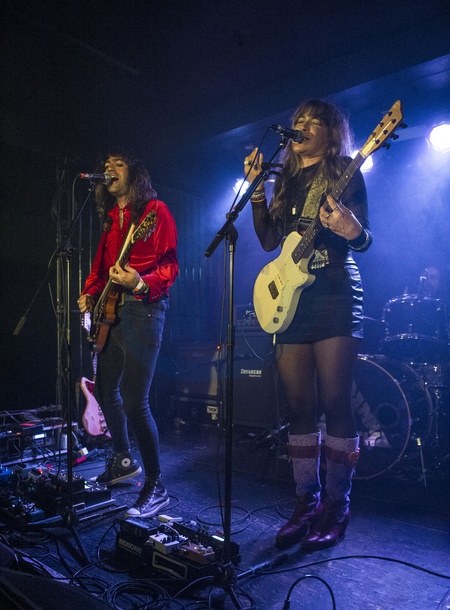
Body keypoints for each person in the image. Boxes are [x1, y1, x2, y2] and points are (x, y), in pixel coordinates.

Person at [244, 99, 372, 551]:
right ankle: (306, 501)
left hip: (335, 291)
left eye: (312, 121)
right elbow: (268, 241)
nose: (301, 126)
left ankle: (337, 505)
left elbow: (364, 239)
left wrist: (351, 229)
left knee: (335, 400)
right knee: (299, 404)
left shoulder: (344, 173)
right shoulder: (286, 178)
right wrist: (257, 191)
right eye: (298, 120)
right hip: (293, 299)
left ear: (331, 132)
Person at [77, 149, 178, 519]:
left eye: (117, 164)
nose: (109, 168)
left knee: (136, 401)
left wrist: (140, 282)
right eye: (106, 165)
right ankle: (122, 459)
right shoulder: (110, 220)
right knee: (106, 390)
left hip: (143, 308)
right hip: (110, 312)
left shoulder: (155, 212)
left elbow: (170, 265)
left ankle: (156, 484)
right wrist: (89, 292)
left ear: (134, 173)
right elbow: (100, 269)